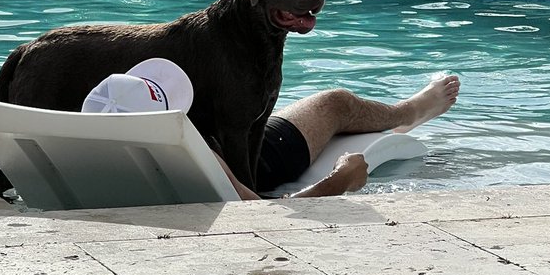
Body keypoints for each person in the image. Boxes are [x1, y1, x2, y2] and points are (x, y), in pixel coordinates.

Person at [82, 58, 461, 201]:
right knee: (334, 103)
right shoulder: (190, 155)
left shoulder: (73, 148)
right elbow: (265, 216)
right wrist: (342, 177)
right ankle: (408, 111)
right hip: (263, 161)